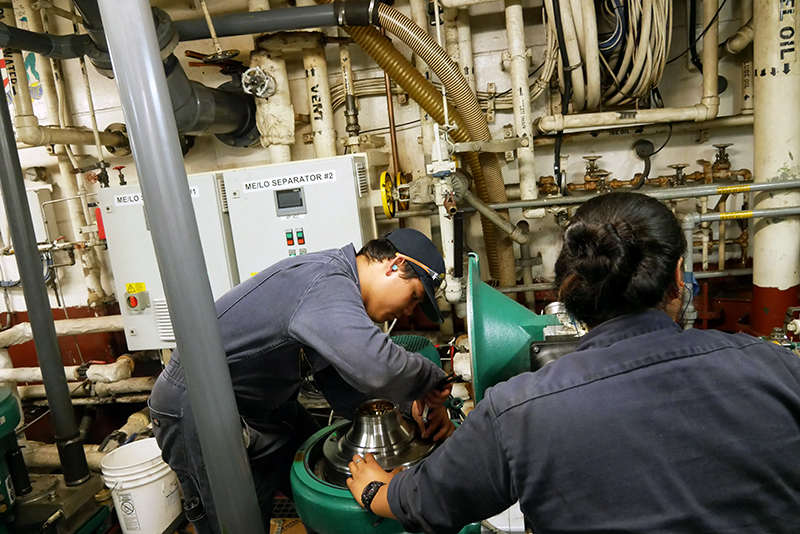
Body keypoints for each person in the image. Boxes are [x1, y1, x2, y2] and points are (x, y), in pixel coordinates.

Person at [347, 192, 800, 533]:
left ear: (567, 292)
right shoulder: (777, 369)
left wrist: (376, 489)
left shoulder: (520, 410)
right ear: (679, 277)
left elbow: (430, 501)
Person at [149, 228, 455, 534]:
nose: (407, 313)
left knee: (318, 482)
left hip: (265, 408)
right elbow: (377, 368)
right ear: (395, 265)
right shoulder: (326, 282)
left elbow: (342, 389)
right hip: (197, 409)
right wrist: (430, 378)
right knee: (234, 524)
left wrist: (409, 409)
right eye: (414, 297)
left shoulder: (339, 296)